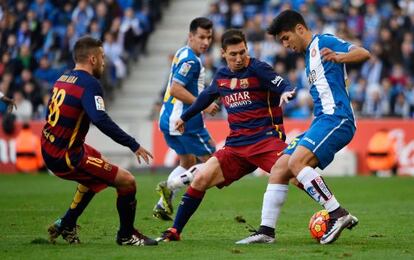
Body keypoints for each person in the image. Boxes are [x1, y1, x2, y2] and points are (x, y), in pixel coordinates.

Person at [236, 10, 371, 245]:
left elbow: (363, 53)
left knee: (297, 162)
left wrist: (340, 57)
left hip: (337, 118)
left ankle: (338, 214)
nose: (285, 45)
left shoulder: (324, 41)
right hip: (320, 120)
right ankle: (266, 231)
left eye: (286, 38)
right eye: (281, 42)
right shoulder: (309, 57)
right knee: (280, 167)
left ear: (300, 29)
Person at [156, 29, 296, 242]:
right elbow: (204, 98)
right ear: (223, 53)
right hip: (236, 147)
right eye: (233, 54)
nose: (239, 58)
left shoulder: (258, 68)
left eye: (242, 52)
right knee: (201, 178)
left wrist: (286, 91)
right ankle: (175, 231)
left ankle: (334, 212)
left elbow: (280, 82)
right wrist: (184, 117)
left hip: (265, 140)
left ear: (247, 48)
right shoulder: (221, 77)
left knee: (297, 174)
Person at [41, 36, 157, 246]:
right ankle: (126, 235)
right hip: (66, 156)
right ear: (93, 59)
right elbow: (100, 119)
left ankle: (67, 222)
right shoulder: (90, 84)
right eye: (103, 57)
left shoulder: (63, 78)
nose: (105, 61)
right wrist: (133, 144)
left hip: (51, 147)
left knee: (96, 163)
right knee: (127, 181)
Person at [154, 17, 219, 221]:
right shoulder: (192, 60)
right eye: (201, 37)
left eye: (209, 37)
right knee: (215, 164)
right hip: (186, 122)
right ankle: (171, 185)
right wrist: (204, 104)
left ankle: (162, 204)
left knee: (188, 161)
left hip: (167, 119)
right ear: (191, 36)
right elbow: (175, 89)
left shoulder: (183, 52)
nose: (206, 42)